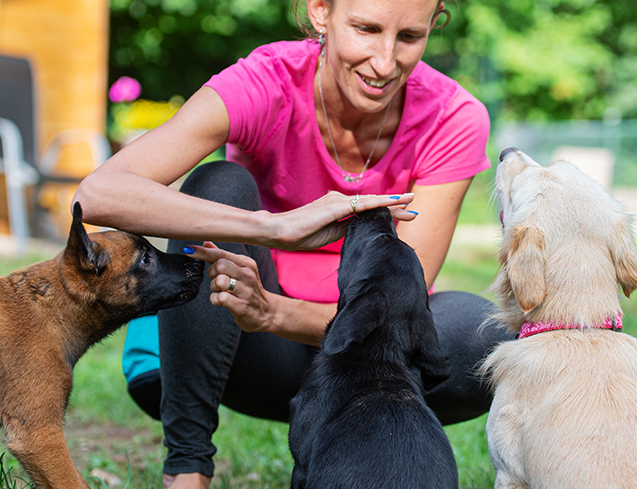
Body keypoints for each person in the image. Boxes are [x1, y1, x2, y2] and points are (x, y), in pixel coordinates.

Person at [74, 0, 514, 486]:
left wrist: (275, 311)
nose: (386, 62)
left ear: (435, 25)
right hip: (241, 352)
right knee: (218, 184)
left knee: (487, 337)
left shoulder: (452, 115)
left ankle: (352, 452)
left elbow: (396, 309)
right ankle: (187, 469)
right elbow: (98, 194)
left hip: (364, 365)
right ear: (321, 12)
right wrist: (273, 227)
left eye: (409, 37)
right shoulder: (267, 82)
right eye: (366, 29)